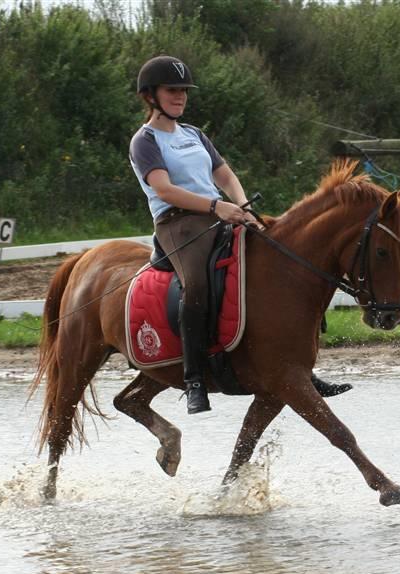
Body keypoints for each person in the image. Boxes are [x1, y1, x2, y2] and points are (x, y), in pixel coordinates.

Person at [129, 55, 351, 414]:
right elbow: (165, 190)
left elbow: (225, 176)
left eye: (184, 91)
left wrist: (244, 206)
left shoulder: (194, 134)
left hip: (221, 215)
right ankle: (194, 377)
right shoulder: (145, 140)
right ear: (150, 96)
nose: (181, 97)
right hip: (178, 223)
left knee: (284, 263)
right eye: (173, 90)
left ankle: (302, 367)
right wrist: (217, 208)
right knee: (197, 286)